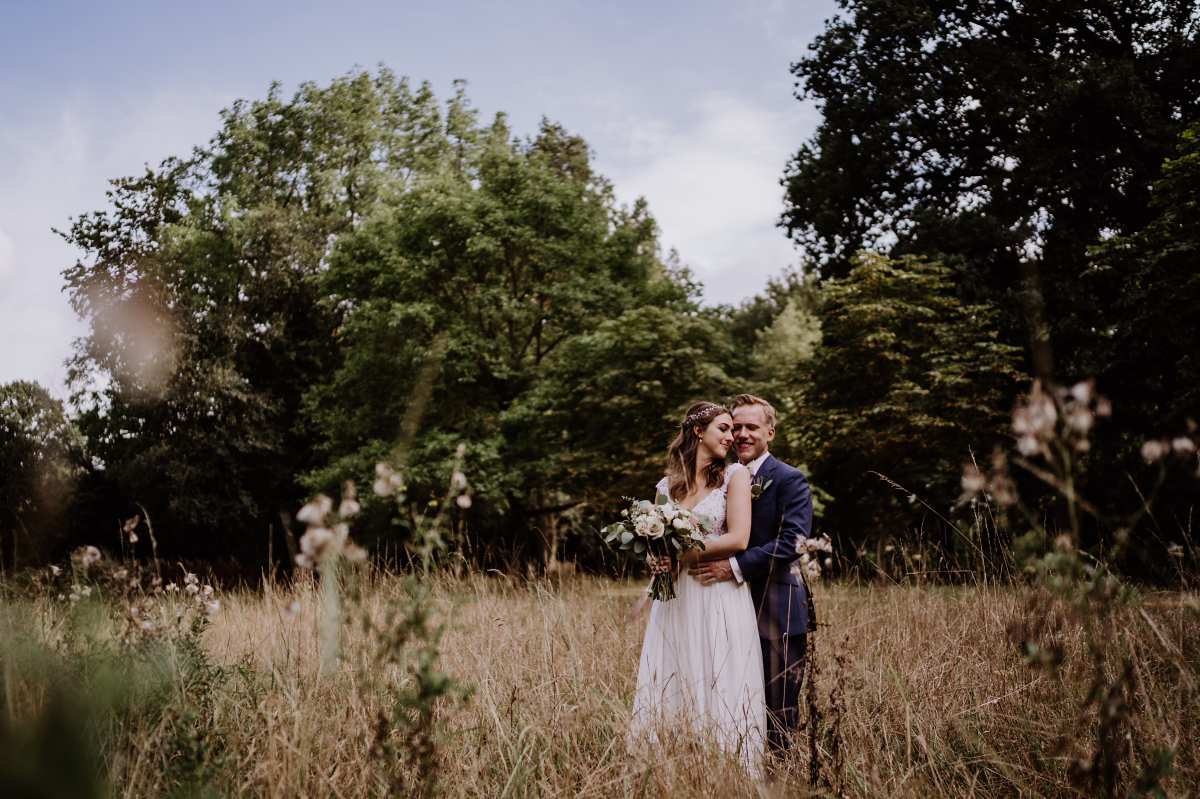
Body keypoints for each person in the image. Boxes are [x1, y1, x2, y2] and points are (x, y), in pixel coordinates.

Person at [628, 401, 766, 773]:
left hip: (717, 593)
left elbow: (739, 538)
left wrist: (680, 555)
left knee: (720, 679)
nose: (731, 436)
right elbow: (655, 547)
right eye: (723, 429)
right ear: (698, 432)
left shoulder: (736, 476)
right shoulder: (665, 486)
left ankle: (729, 773)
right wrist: (656, 559)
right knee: (673, 678)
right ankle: (671, 772)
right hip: (675, 601)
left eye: (732, 430)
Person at [689, 393, 813, 758]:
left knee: (778, 715)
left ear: (770, 432)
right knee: (731, 708)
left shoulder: (789, 478)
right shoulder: (717, 478)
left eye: (751, 427)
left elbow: (794, 540)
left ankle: (780, 787)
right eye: (735, 426)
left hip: (775, 612)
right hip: (721, 612)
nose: (741, 434)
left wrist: (735, 566)